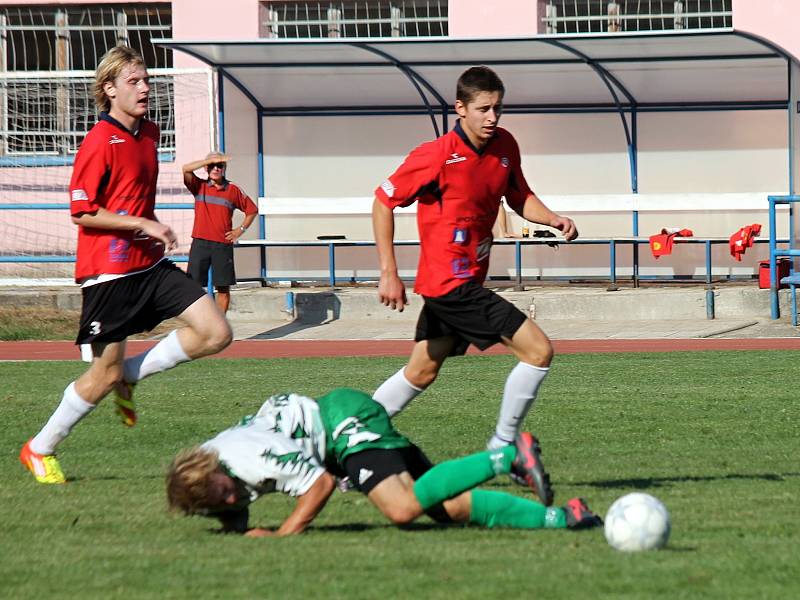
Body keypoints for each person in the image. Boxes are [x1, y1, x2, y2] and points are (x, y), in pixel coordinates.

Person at [19, 46, 232, 485]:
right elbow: (82, 212)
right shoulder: (99, 141)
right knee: (101, 376)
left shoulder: (151, 133)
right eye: (134, 81)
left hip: (150, 265)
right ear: (109, 89)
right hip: (109, 274)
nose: (145, 88)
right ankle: (39, 449)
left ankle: (129, 377)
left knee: (216, 332)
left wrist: (149, 230)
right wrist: (141, 222)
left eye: (147, 80)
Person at [371, 66, 578, 505]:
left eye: (498, 108)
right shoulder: (436, 154)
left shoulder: (505, 147)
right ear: (460, 108)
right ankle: (502, 445)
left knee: (421, 372)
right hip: (452, 284)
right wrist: (389, 270)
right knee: (539, 351)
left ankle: (355, 437)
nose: (492, 117)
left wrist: (554, 218)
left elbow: (518, 196)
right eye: (483, 108)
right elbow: (383, 201)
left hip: (461, 282)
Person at [166, 388, 601, 536]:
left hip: (343, 425)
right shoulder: (218, 460)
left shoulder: (251, 459)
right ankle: (564, 518)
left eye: (222, 495)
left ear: (214, 473)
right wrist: (235, 525)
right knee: (445, 508)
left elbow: (318, 486)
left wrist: (282, 534)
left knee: (401, 509)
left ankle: (509, 456)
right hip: (340, 429)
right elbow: (233, 502)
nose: (230, 501)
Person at [182, 152, 258, 314]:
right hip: (200, 243)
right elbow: (186, 169)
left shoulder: (233, 189)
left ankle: (220, 327)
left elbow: (252, 210)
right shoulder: (199, 186)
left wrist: (240, 229)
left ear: (224, 168)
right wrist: (209, 160)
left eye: (220, 165)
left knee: (222, 288)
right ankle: (200, 324)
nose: (216, 168)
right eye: (211, 165)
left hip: (222, 245)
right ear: (206, 167)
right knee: (193, 287)